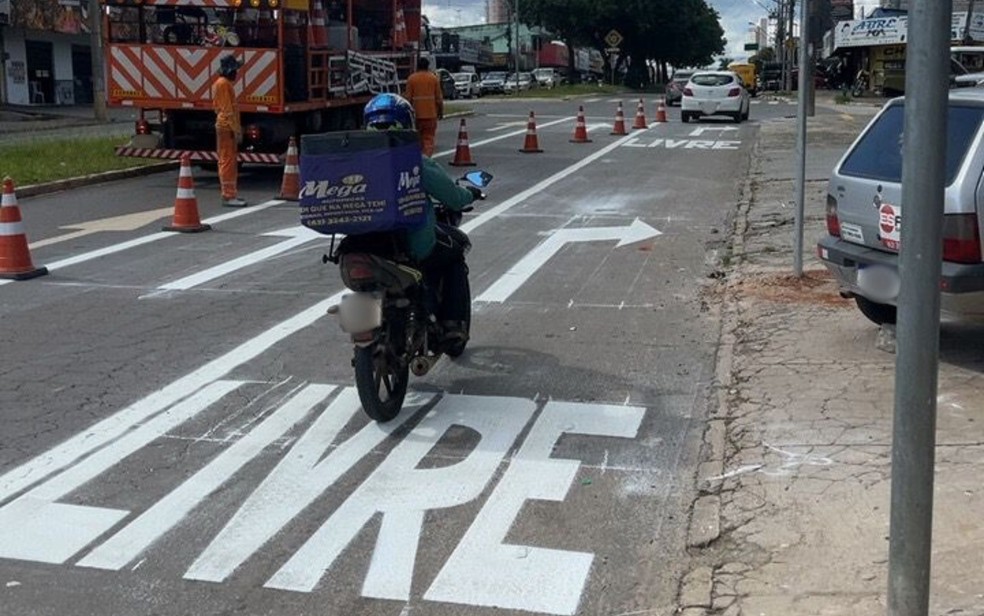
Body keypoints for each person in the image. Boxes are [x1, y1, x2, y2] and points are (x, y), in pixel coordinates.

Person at [363, 93, 479, 341]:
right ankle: (452, 326)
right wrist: (470, 193)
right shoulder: (414, 162)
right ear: (407, 125)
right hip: (411, 246)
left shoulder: (351, 163)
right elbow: (453, 198)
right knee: (455, 252)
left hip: (361, 246)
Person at [212, 54, 247, 207]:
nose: (237, 73)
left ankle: (230, 193)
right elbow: (228, 111)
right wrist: (236, 130)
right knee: (228, 161)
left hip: (224, 125)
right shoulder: (224, 84)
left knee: (227, 160)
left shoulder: (221, 83)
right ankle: (228, 195)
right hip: (227, 127)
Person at [403, 57, 443, 157]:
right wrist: (440, 112)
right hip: (430, 115)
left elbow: (407, 99)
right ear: (427, 66)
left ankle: (417, 158)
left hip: (416, 116)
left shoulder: (412, 79)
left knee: (417, 139)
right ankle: (426, 159)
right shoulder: (433, 79)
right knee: (428, 139)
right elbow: (439, 99)